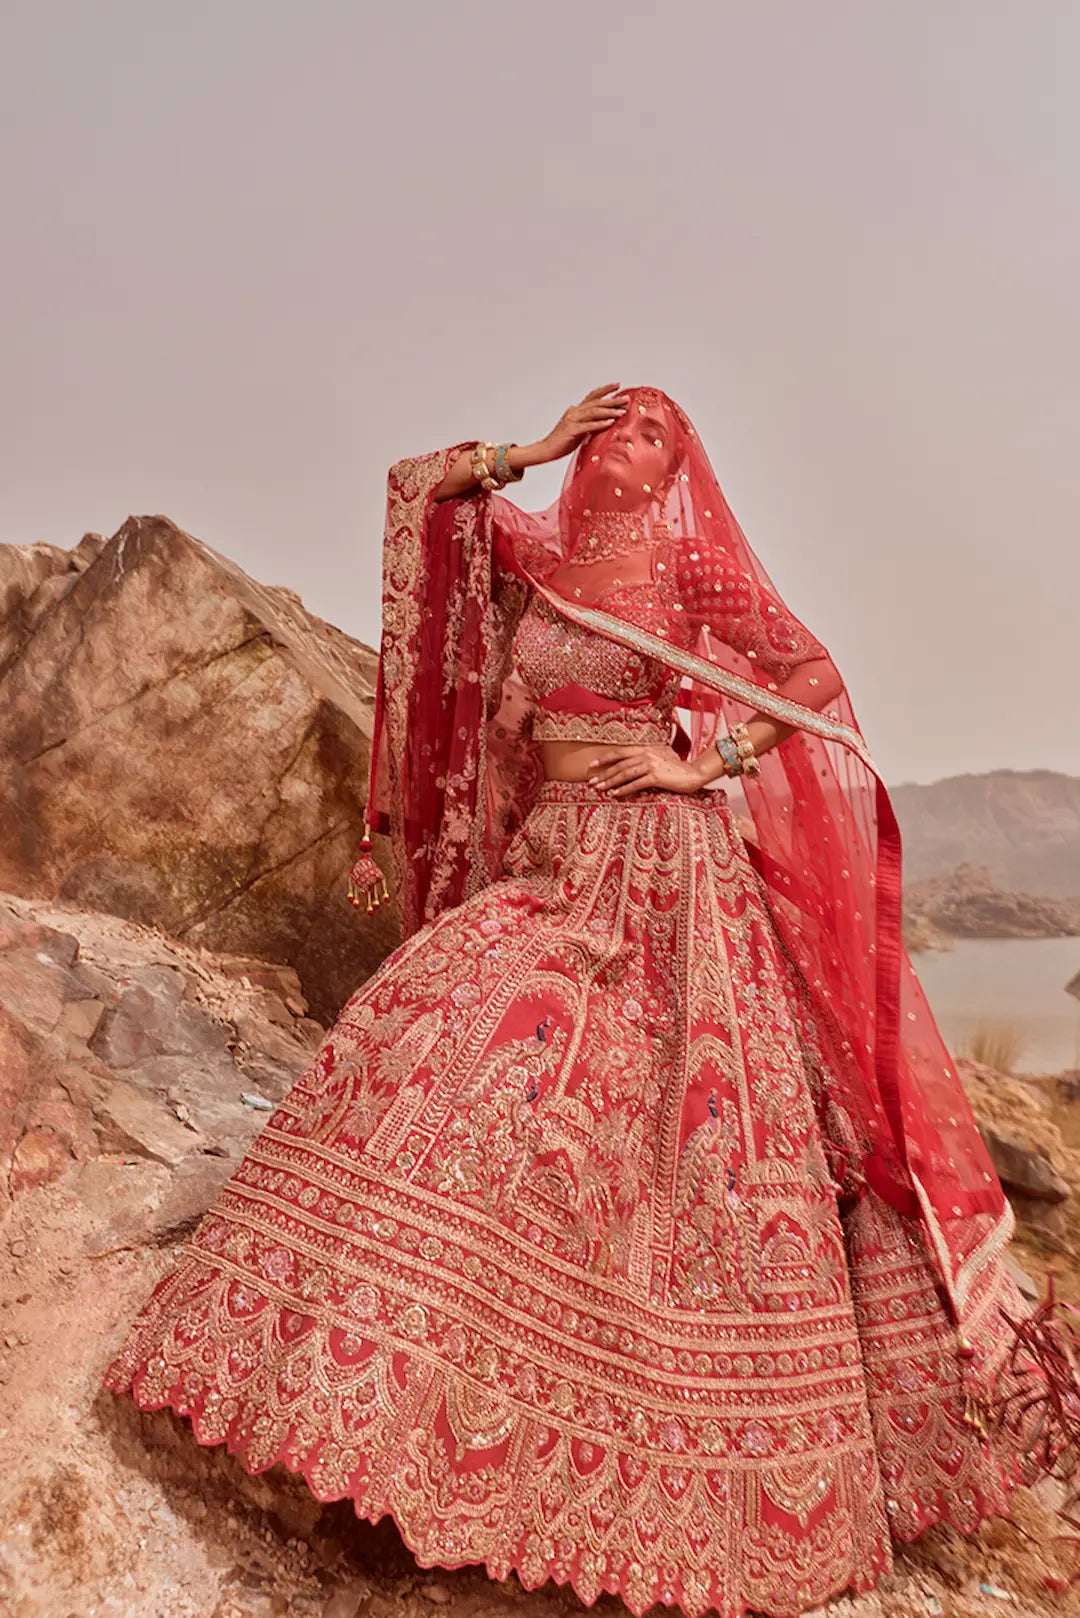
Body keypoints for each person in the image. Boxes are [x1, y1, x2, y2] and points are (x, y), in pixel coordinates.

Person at [106, 385, 1041, 1618]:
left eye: (650, 429)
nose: (621, 441)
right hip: (557, 865)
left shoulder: (693, 573)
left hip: (669, 882)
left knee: (673, 1144)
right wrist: (525, 450)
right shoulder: (540, 552)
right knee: (439, 1033)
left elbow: (812, 679)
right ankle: (369, 1394)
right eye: (606, 422)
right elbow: (413, 494)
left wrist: (702, 759)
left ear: (678, 469)